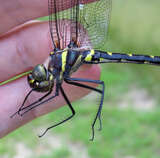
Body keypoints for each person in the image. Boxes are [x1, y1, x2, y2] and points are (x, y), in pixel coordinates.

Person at [0, 0, 100, 138]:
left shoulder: (56, 70)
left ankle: (95, 121)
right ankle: (23, 110)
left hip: (81, 56)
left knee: (98, 88)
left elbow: (51, 95)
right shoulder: (55, 66)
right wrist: (24, 107)